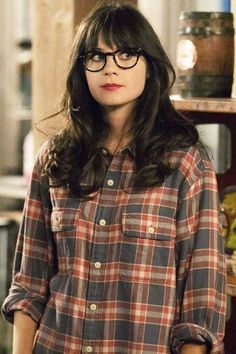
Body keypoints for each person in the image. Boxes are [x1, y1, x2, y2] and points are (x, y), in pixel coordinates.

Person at [1, 2, 226, 353]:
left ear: (150, 65)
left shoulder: (186, 165)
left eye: (126, 54)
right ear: (83, 68)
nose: (110, 69)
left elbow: (201, 304)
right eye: (97, 56)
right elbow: (28, 286)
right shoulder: (54, 160)